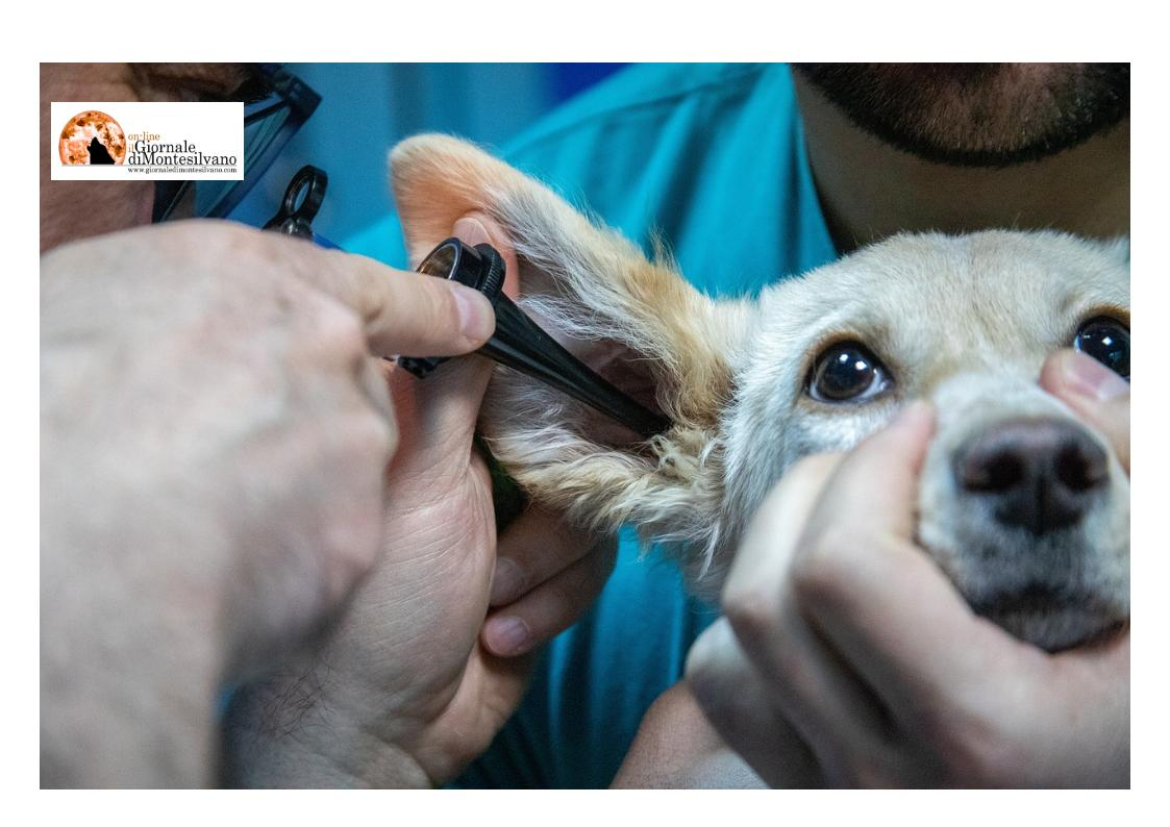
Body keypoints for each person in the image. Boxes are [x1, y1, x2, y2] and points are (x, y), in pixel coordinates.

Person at [40, 62, 1130, 788]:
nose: (1032, 443)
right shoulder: (359, 360)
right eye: (844, 374)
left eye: (1111, 353)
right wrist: (327, 741)